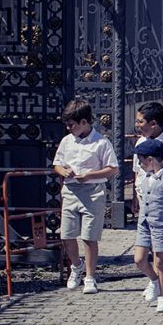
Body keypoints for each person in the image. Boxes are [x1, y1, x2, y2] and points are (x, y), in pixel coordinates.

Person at [52, 98, 118, 294]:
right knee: (67, 234)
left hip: (93, 192)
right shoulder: (67, 141)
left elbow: (112, 169)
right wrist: (62, 171)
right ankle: (76, 266)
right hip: (71, 191)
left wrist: (90, 175)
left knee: (89, 236)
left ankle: (90, 277)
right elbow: (57, 163)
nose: (69, 128)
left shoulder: (101, 143)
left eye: (71, 125)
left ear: (84, 122)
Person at [132, 138, 163, 313]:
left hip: (161, 224)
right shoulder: (145, 177)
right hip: (144, 222)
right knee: (139, 259)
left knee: (160, 261)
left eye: (142, 161)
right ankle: (154, 281)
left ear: (151, 159)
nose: (141, 165)